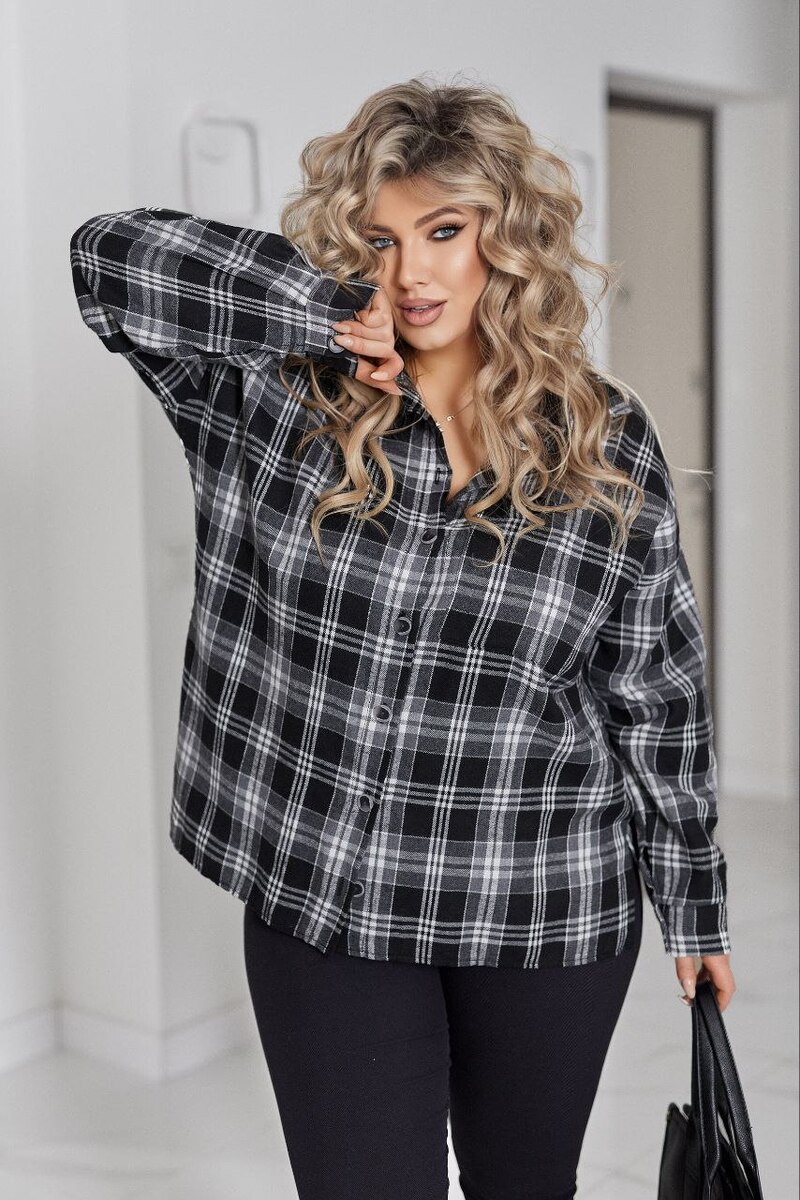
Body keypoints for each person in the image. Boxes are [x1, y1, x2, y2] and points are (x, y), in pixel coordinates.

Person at [70, 75, 735, 1200]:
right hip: (329, 899)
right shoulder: (272, 395)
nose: (412, 273)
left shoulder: (602, 438)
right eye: (380, 240)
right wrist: (319, 304)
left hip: (541, 899)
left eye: (444, 231)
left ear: (506, 240)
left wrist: (695, 903)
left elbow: (654, 691)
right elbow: (106, 259)